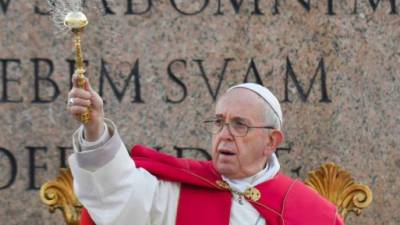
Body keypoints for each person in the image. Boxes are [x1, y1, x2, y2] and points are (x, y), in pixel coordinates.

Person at [67, 73, 344, 225]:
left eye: (240, 125)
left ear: (271, 141)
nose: (224, 134)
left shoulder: (312, 215)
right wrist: (95, 129)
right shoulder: (175, 194)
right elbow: (117, 192)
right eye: (219, 122)